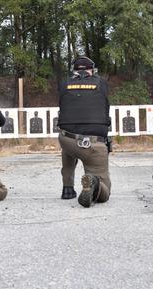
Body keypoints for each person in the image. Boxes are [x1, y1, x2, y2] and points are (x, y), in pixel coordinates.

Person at [57, 56, 111, 208]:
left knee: (67, 138)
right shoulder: (101, 83)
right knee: (105, 191)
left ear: (74, 71)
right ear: (92, 71)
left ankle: (67, 188)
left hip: (67, 140)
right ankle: (94, 183)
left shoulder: (64, 83)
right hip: (93, 143)